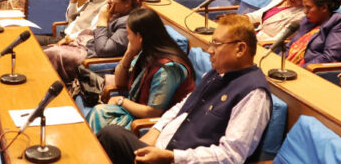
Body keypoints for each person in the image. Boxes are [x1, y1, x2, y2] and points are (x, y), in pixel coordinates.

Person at [96, 14, 272, 164]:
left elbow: (231, 156)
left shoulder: (253, 94)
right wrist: (156, 130)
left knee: (110, 136)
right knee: (112, 136)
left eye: (216, 44)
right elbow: (182, 106)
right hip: (163, 150)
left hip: (176, 159)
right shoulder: (216, 74)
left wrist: (172, 157)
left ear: (240, 49)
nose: (209, 50)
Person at [86, 8, 196, 134]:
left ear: (139, 37)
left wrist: (121, 101)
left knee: (100, 119)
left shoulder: (168, 68)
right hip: (135, 113)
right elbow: (120, 82)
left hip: (154, 126)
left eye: (128, 34)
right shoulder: (147, 52)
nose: (127, 38)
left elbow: (152, 112)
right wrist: (128, 54)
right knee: (98, 113)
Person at [44, 0, 142, 83]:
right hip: (86, 46)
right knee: (45, 51)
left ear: (127, 3)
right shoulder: (117, 13)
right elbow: (96, 34)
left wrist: (102, 21)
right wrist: (73, 39)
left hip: (93, 59)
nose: (109, 1)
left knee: (52, 53)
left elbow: (104, 50)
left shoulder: (128, 23)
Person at [286, 0, 341, 66]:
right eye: (304, 7)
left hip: (311, 72)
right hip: (289, 67)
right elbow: (291, 46)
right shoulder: (307, 21)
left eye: (308, 7)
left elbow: (329, 58)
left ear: (324, 8)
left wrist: (299, 70)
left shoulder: (339, 23)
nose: (305, 11)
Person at [247, 0, 317, 44]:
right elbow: (262, 12)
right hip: (255, 35)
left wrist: (255, 43)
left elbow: (279, 39)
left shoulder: (302, 15)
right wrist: (245, 17)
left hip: (267, 46)